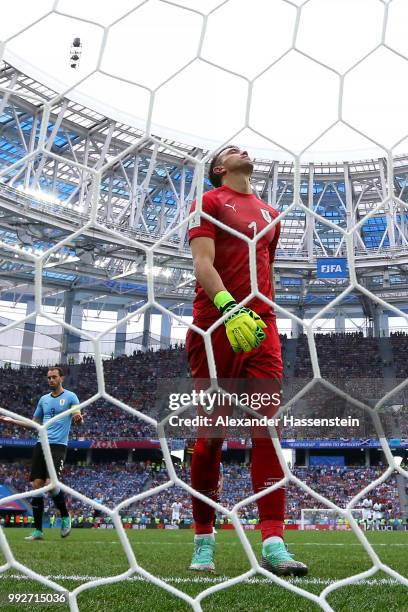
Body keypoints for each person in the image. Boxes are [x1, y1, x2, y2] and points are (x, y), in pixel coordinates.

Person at [186, 145, 307, 575]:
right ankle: (204, 538)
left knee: (268, 431)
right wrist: (227, 305)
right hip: (215, 325)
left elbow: (262, 270)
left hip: (260, 328)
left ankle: (274, 542)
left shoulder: (272, 213)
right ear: (220, 169)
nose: (242, 149)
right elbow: (203, 263)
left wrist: (253, 312)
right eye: (231, 150)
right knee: (210, 437)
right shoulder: (209, 202)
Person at [0, 366, 83, 541]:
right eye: (48, 378)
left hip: (58, 446)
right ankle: (38, 531)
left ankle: (65, 516)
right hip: (41, 445)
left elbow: (77, 412)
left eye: (54, 377)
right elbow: (34, 423)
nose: (51, 380)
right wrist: (12, 421)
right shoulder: (43, 400)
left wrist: (78, 417)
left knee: (50, 484)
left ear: (62, 378)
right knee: (37, 485)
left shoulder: (70, 397)